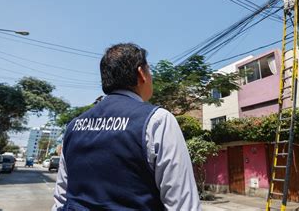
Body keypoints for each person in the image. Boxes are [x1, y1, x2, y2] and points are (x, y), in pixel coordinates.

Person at [52, 43, 200, 211]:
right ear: (141, 73)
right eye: (149, 71)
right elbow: (183, 205)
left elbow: (60, 199)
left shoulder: (74, 126)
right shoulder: (157, 120)